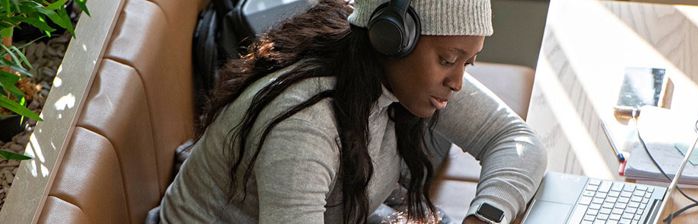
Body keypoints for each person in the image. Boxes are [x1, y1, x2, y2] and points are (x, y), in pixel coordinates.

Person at [159, 0, 546, 223]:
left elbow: (515, 140)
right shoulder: (304, 125)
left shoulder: (403, 77)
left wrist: (485, 217)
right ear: (392, 38)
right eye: (448, 59)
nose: (458, 81)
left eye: (469, 62)